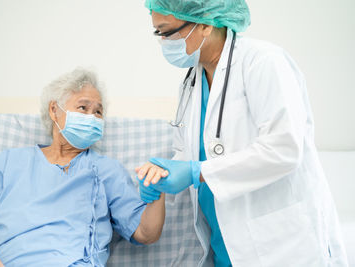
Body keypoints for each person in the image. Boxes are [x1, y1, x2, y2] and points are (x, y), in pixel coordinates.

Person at [135, 0, 349, 266]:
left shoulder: (264, 62)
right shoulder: (191, 81)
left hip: (280, 246)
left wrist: (195, 171)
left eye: (166, 32)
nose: (163, 43)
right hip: (224, 245)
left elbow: (284, 149)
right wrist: (163, 175)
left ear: (205, 24)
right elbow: (190, 153)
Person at [0, 68, 165, 267]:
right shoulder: (7, 162)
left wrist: (157, 188)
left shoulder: (106, 169)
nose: (91, 117)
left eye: (98, 112)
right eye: (83, 108)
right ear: (54, 110)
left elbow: (146, 233)